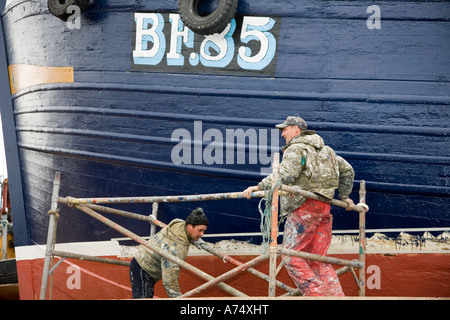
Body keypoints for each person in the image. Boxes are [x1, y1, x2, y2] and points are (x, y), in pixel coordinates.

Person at [243, 116, 355, 297]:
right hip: (324, 209)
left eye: (284, 130)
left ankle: (318, 296)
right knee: (317, 260)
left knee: (291, 257)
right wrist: (345, 196)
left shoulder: (296, 149)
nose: (282, 134)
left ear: (296, 129)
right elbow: (348, 170)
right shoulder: (328, 151)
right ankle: (336, 296)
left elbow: (285, 173)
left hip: (304, 208)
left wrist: (259, 186)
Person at [129, 207, 208, 298]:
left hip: (144, 260)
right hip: (143, 268)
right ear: (189, 226)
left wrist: (198, 240)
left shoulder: (179, 224)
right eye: (200, 231)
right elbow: (169, 281)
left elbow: (189, 233)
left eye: (203, 231)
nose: (202, 234)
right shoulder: (176, 249)